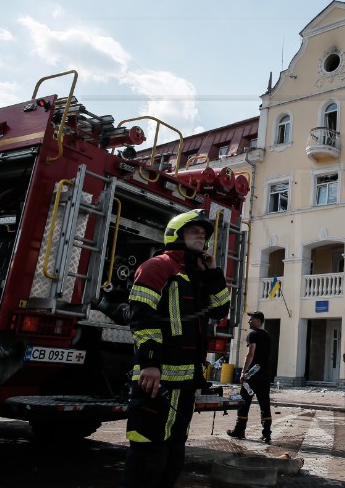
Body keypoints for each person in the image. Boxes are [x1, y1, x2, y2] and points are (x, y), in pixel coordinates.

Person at [121, 209, 231, 488]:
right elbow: (142, 318)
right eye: (194, 231)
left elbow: (220, 309)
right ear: (176, 235)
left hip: (184, 382)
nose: (201, 236)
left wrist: (214, 272)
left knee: (174, 449)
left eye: (204, 234)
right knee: (148, 449)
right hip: (156, 380)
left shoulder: (197, 275)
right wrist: (149, 363)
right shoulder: (158, 267)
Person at [227, 310, 273, 442]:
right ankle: (266, 434)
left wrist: (243, 372)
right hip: (265, 375)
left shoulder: (253, 335)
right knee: (264, 404)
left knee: (244, 402)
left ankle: (239, 431)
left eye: (251, 319)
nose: (249, 321)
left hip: (252, 376)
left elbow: (251, 354)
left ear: (258, 321)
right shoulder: (267, 336)